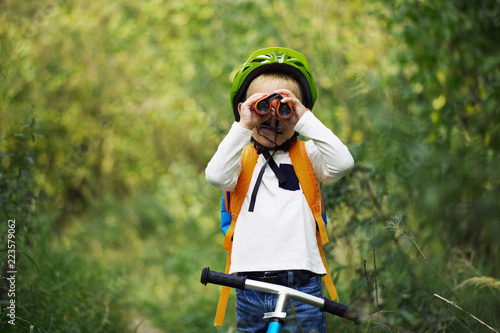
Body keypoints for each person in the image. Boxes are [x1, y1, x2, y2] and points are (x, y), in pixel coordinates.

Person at [205, 47, 354, 333]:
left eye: (285, 108)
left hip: (303, 281)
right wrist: (244, 124)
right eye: (261, 107)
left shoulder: (309, 155)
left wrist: (304, 117)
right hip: (250, 284)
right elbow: (215, 175)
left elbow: (343, 162)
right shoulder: (241, 160)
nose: (274, 118)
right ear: (244, 108)